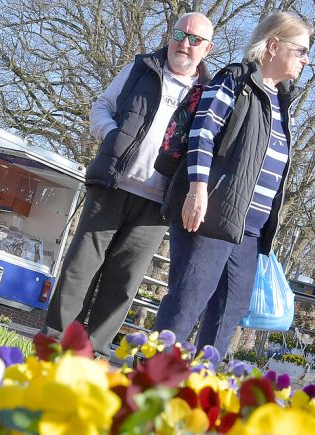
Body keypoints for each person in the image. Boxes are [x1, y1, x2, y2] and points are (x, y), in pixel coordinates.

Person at [43, 12, 215, 357]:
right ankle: (52, 346)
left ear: (207, 49)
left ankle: (93, 356)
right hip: (111, 184)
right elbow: (101, 107)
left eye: (194, 39)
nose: (184, 43)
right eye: (179, 34)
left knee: (123, 282)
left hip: (157, 203)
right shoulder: (140, 68)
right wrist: (112, 137)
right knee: (80, 267)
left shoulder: (209, 94)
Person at [155, 12, 313, 355]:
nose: (306, 58)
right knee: (188, 299)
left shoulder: (280, 100)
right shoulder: (236, 81)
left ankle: (202, 388)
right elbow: (202, 133)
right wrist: (197, 190)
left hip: (249, 229)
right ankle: (149, 379)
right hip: (213, 211)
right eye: (300, 49)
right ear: (273, 46)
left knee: (230, 310)